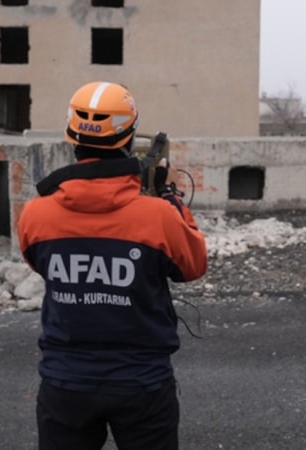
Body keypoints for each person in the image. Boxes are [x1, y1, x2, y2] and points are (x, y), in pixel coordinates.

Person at [17, 81, 207, 450]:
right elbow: (193, 266)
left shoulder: (35, 214)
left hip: (64, 384)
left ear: (72, 136)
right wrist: (171, 199)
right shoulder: (159, 216)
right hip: (142, 384)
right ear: (129, 137)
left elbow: (37, 262)